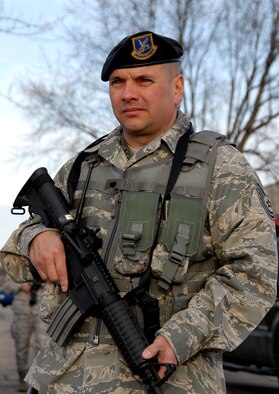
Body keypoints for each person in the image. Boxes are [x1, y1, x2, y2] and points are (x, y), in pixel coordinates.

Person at [0, 30, 278, 394]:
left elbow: (256, 273)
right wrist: (34, 238)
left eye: (144, 80)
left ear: (177, 88)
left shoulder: (219, 166)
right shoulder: (84, 166)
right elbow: (16, 255)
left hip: (166, 380)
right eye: (118, 82)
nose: (128, 93)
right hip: (62, 379)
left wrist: (180, 338)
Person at [2, 274, 48, 392]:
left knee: (43, 346)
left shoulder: (41, 264)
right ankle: (22, 379)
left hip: (41, 312)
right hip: (22, 312)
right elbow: (6, 286)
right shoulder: (18, 265)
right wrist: (21, 286)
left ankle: (39, 380)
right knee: (21, 347)